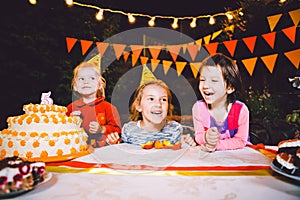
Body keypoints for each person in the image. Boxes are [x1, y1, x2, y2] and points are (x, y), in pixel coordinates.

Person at [106, 79, 196, 147]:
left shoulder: (175, 130)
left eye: (163, 99)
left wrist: (187, 144)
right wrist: (115, 143)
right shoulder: (128, 130)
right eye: (151, 99)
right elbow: (124, 153)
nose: (158, 104)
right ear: (138, 106)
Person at [192, 53, 249, 152]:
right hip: (210, 158)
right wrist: (205, 137)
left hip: (238, 156)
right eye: (202, 79)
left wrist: (216, 145)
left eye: (214, 80)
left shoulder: (241, 110)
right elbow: (198, 136)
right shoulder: (198, 108)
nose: (205, 85)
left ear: (230, 88)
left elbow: (241, 140)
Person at [66, 62, 122, 148]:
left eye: (92, 78)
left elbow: (117, 130)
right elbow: (61, 131)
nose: (86, 82)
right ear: (75, 87)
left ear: (99, 85)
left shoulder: (108, 108)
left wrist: (102, 129)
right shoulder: (70, 108)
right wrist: (70, 122)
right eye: (81, 79)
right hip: (77, 151)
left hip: (102, 151)